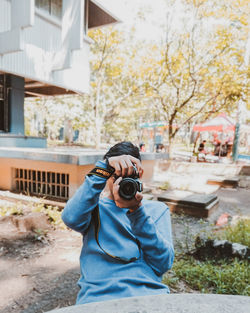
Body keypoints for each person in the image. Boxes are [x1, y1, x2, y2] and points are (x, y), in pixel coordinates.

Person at [62, 141, 174, 305]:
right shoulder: (93, 208)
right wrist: (103, 168)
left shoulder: (157, 210)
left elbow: (163, 263)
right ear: (107, 176)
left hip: (149, 298)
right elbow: (70, 218)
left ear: (140, 174)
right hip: (97, 299)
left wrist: (137, 213)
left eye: (130, 176)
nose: (122, 183)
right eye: (117, 175)